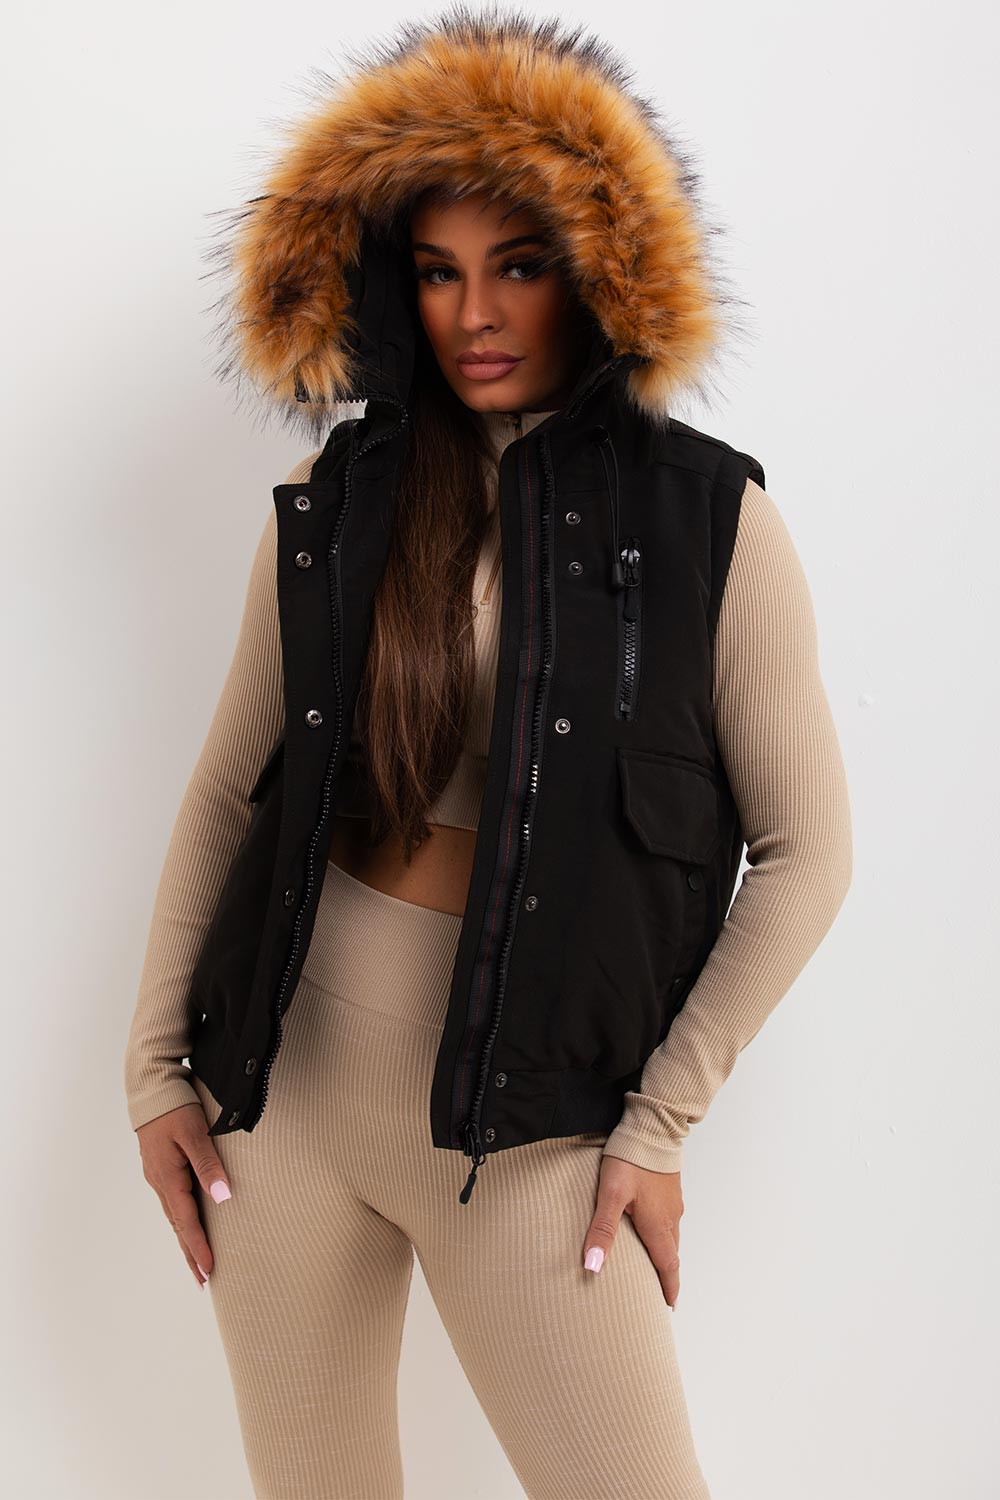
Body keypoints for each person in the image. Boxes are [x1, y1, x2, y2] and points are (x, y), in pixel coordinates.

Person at [123, 10, 853, 1498]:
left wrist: (658, 1128)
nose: (475, 314)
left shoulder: (710, 520)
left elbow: (809, 854)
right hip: (290, 1094)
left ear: (596, 270)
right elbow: (227, 787)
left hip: (533, 1142)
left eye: (518, 265)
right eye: (438, 271)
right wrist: (152, 1074)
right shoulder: (341, 496)